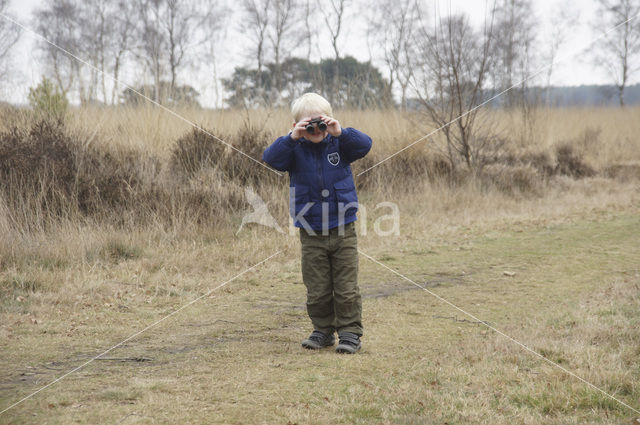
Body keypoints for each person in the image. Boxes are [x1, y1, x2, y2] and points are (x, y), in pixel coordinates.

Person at [262, 92, 372, 354]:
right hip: (310, 230)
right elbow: (270, 158)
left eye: (320, 123)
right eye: (307, 125)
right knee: (317, 287)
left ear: (329, 121)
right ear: (297, 126)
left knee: (346, 287)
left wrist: (340, 131)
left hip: (343, 227)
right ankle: (323, 331)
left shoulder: (339, 144)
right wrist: (291, 139)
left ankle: (349, 333)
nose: (315, 130)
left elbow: (364, 145)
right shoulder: (294, 151)